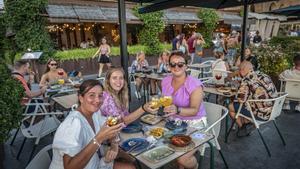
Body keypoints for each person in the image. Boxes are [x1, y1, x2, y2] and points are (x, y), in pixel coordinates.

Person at [49, 79, 135, 169]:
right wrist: (98, 139)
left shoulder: (94, 114)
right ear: (81, 98)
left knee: (130, 166)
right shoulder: (73, 124)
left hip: (95, 163)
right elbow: (70, 167)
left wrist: (114, 144)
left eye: (100, 96)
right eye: (91, 95)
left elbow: (110, 128)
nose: (97, 100)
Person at [162, 51, 207, 169]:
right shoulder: (165, 81)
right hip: (173, 123)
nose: (176, 67)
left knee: (182, 158)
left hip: (195, 124)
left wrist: (177, 110)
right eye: (172, 64)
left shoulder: (195, 84)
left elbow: (195, 110)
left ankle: (194, 166)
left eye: (180, 64)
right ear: (169, 66)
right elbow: (166, 101)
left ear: (186, 66)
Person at [229, 61, 277, 137]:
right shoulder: (264, 75)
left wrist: (240, 87)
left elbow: (241, 100)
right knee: (246, 105)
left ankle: (243, 128)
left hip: (262, 114)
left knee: (231, 106)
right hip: (274, 109)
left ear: (242, 70)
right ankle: (247, 124)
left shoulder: (246, 80)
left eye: (239, 70)